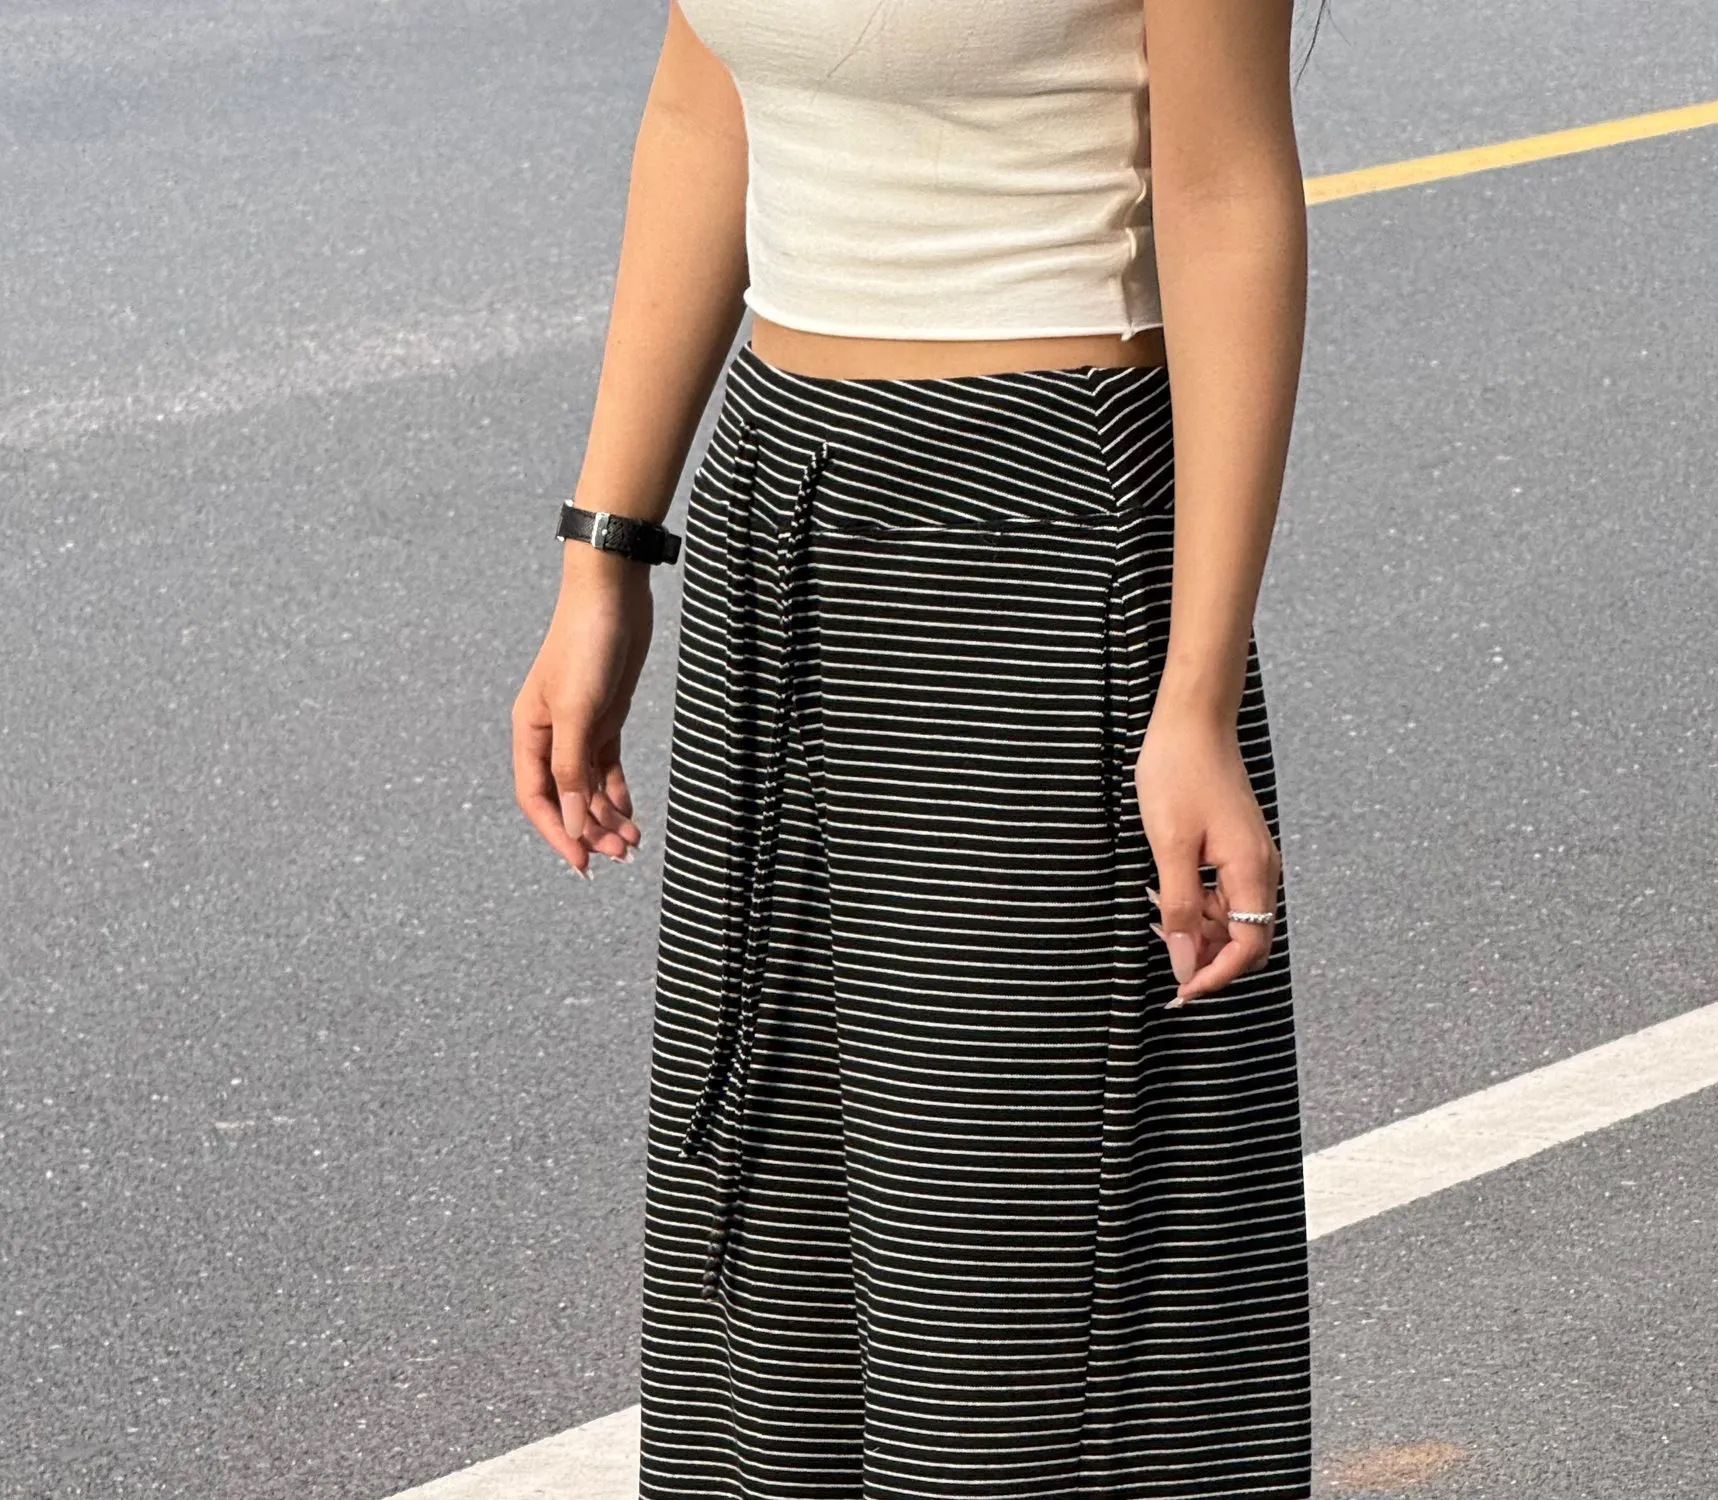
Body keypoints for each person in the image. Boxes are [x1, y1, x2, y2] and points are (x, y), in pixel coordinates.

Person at [511, 1, 1317, 1493]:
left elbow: (1225, 196)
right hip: (778, 499)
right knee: (775, 1213)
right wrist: (603, 554)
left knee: (1011, 1246)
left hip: (1039, 526)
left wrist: (1193, 696)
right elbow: (704, 101)